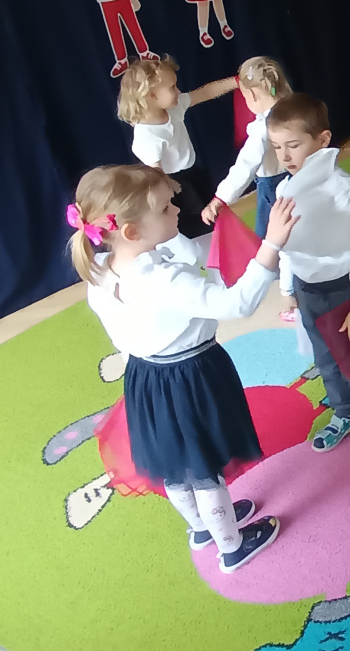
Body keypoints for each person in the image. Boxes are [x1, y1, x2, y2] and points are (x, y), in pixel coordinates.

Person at [70, 164, 294, 572]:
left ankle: (202, 527)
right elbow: (237, 304)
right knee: (206, 466)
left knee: (177, 464)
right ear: (132, 231)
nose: (177, 209)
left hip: (146, 378)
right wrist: (271, 245)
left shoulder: (102, 270)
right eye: (165, 207)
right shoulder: (162, 281)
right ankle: (232, 546)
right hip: (192, 375)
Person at [268, 94, 350, 465]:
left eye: (293, 145)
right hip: (309, 291)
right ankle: (344, 411)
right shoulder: (285, 189)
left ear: (322, 140)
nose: (284, 156)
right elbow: (285, 245)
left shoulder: (344, 192)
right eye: (277, 147)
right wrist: (288, 288)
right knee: (326, 360)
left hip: (343, 292)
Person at [117, 56, 236, 250]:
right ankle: (204, 256)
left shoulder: (173, 108)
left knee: (214, 218)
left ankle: (221, 249)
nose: (178, 91)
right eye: (172, 87)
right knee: (196, 230)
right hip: (174, 186)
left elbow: (206, 92)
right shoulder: (147, 136)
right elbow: (156, 177)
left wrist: (236, 81)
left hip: (194, 175)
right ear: (152, 95)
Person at [201, 57, 294, 238]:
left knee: (267, 234)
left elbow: (245, 166)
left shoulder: (262, 129)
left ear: (252, 95)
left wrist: (220, 198)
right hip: (300, 174)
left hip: (273, 187)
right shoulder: (296, 111)